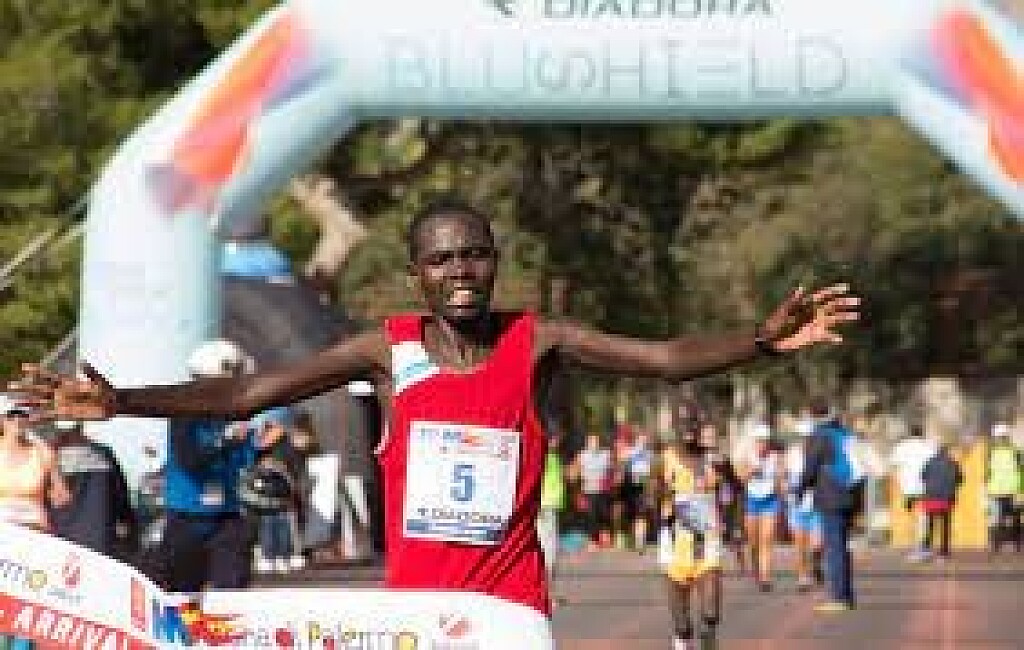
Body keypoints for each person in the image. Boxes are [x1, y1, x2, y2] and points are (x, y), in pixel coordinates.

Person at [13, 197, 859, 621]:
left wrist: (760, 340)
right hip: (418, 617)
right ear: (416, 273)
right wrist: (122, 401)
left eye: (475, 255)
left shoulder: (538, 341)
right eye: (443, 259)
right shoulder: (386, 353)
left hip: (511, 614)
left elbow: (665, 360)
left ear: (495, 262)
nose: (461, 271)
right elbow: (245, 394)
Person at [139, 339, 285, 593]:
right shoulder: (184, 412)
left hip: (227, 515)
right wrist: (225, 441)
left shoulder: (235, 411)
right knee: (183, 593)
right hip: (187, 515)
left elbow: (244, 458)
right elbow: (190, 459)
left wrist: (263, 448)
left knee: (232, 590)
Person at [0, 394, 71, 650]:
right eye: (12, 415)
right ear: (2, 420)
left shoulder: (42, 452)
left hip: (35, 540)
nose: (18, 421)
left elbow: (62, 496)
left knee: (27, 604)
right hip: (3, 538)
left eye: (23, 415)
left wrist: (48, 459)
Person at [795, 399, 865, 613]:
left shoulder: (819, 435)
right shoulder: (845, 433)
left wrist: (800, 490)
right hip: (851, 493)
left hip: (831, 495)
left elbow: (810, 468)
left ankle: (838, 598)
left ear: (811, 414)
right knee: (842, 546)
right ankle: (847, 595)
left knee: (834, 548)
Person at [658, 427, 724, 650]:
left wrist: (734, 528)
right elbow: (648, 491)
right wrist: (663, 499)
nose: (689, 433)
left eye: (693, 426)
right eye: (684, 425)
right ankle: (682, 637)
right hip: (674, 540)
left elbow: (732, 490)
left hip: (707, 538)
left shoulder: (714, 460)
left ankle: (708, 636)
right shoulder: (664, 459)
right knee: (682, 624)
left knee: (710, 614)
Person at [48, 420, 138, 561]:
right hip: (97, 545)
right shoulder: (103, 454)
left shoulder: (41, 457)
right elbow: (121, 502)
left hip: (59, 547)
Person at [738, 423, 783, 591]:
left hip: (770, 500)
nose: (762, 445)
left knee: (767, 539)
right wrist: (751, 471)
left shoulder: (776, 457)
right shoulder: (747, 456)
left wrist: (780, 481)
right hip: (752, 500)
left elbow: (781, 478)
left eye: (765, 441)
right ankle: (756, 568)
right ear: (754, 441)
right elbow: (741, 478)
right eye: (759, 441)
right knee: (753, 541)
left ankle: (765, 578)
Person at [785, 419, 824, 591]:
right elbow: (784, 475)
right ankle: (802, 577)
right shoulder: (792, 454)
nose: (806, 440)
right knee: (800, 544)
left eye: (809, 437)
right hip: (797, 504)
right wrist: (785, 489)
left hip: (817, 504)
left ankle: (816, 564)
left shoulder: (821, 454)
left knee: (818, 544)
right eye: (803, 437)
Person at [890, 425, 937, 562]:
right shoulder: (929, 446)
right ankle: (922, 548)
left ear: (910, 433)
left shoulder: (902, 446)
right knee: (924, 517)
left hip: (907, 488)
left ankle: (916, 548)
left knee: (912, 517)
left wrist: (899, 479)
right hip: (925, 487)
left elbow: (893, 464)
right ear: (922, 433)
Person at [920, 443, 962, 562]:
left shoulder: (929, 462)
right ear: (947, 452)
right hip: (946, 498)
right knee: (945, 524)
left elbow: (923, 477)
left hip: (931, 496)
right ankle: (944, 551)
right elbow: (959, 479)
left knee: (930, 523)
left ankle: (926, 549)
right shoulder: (953, 463)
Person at [986, 424, 1022, 554]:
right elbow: (1021, 469)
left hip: (997, 489)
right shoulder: (1015, 451)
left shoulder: (991, 452)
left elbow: (988, 471)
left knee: (998, 518)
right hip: (1012, 488)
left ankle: (997, 545)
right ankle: (1015, 544)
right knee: (1014, 517)